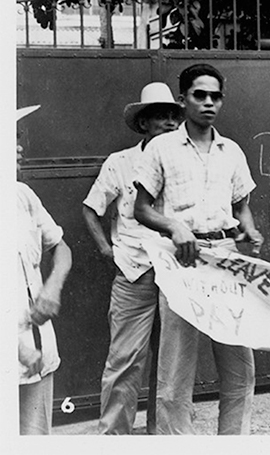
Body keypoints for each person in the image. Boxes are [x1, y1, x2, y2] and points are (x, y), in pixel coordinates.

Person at [133, 63, 264, 435]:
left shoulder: (231, 151)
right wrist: (175, 226)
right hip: (181, 263)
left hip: (225, 259)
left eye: (215, 96)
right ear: (183, 99)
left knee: (239, 365)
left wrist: (248, 231)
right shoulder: (161, 147)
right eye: (199, 95)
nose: (208, 103)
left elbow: (241, 207)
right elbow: (140, 208)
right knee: (175, 371)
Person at [82, 82, 182, 434]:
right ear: (143, 124)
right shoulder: (121, 163)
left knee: (173, 362)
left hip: (176, 272)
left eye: (174, 117)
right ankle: (114, 436)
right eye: (160, 117)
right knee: (125, 359)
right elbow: (91, 209)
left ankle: (163, 435)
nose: (170, 123)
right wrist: (108, 251)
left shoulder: (185, 162)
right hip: (134, 271)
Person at [17, 105, 73, 435]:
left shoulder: (22, 194)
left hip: (38, 350)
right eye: (8, 141)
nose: (19, 147)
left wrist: (53, 286)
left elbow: (61, 248)